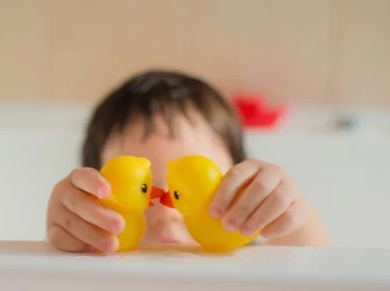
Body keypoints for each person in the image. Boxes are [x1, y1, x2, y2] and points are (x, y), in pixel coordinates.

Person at [46, 69, 329, 253]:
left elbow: (318, 279)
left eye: (198, 187)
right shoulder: (99, 251)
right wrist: (69, 231)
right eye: (143, 190)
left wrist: (292, 219)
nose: (168, 213)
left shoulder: (244, 257)